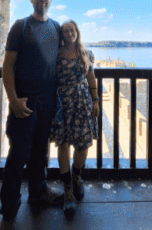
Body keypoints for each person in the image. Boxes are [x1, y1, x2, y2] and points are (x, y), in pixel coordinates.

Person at [0, 0, 63, 228]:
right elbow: (7, 65)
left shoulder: (56, 28)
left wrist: (88, 58)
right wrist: (13, 100)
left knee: (40, 153)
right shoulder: (21, 26)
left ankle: (39, 192)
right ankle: (9, 210)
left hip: (47, 102)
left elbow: (70, 53)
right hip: (25, 103)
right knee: (17, 156)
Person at [50, 20, 99, 218]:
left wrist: (95, 100)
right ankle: (68, 189)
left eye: (71, 30)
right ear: (62, 34)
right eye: (65, 31)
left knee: (83, 144)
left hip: (82, 101)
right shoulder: (56, 54)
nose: (69, 33)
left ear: (77, 32)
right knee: (63, 144)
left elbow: (91, 77)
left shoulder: (86, 53)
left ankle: (77, 177)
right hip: (62, 102)